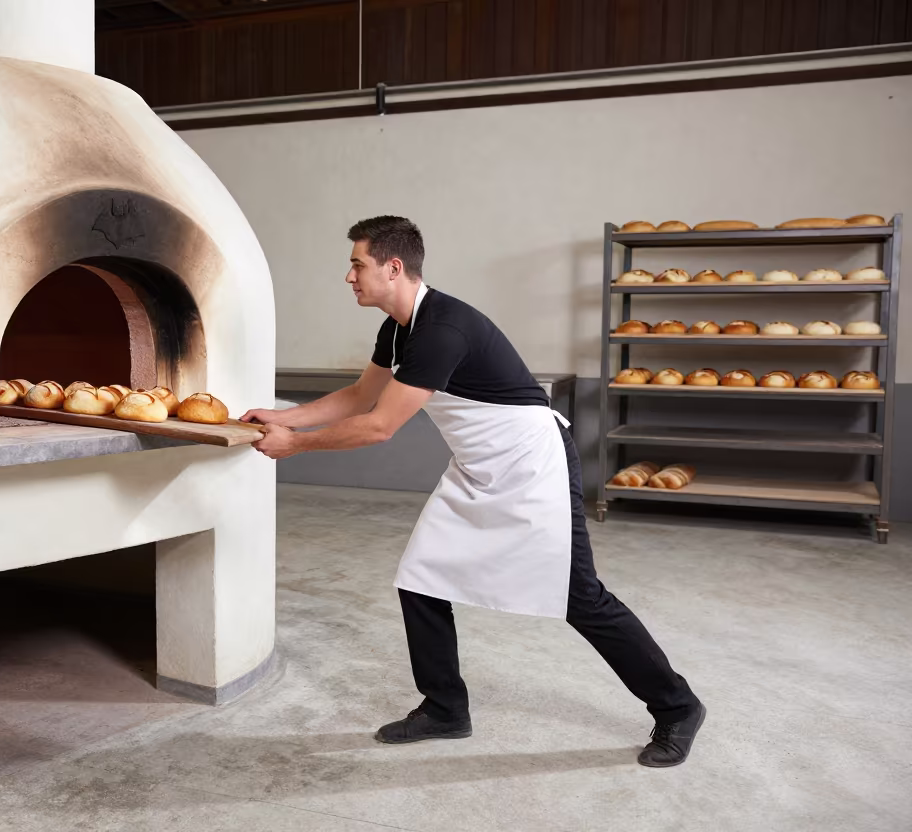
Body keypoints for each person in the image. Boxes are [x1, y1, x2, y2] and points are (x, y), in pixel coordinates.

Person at [242, 216, 705, 767]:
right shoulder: (398, 327)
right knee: (421, 580)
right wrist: (282, 416)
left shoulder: (442, 328)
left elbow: (380, 426)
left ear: (393, 268)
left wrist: (295, 445)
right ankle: (444, 709)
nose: (349, 276)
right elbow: (362, 395)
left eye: (357, 264)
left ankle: (678, 707)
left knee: (581, 598)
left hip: (532, 466)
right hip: (478, 468)